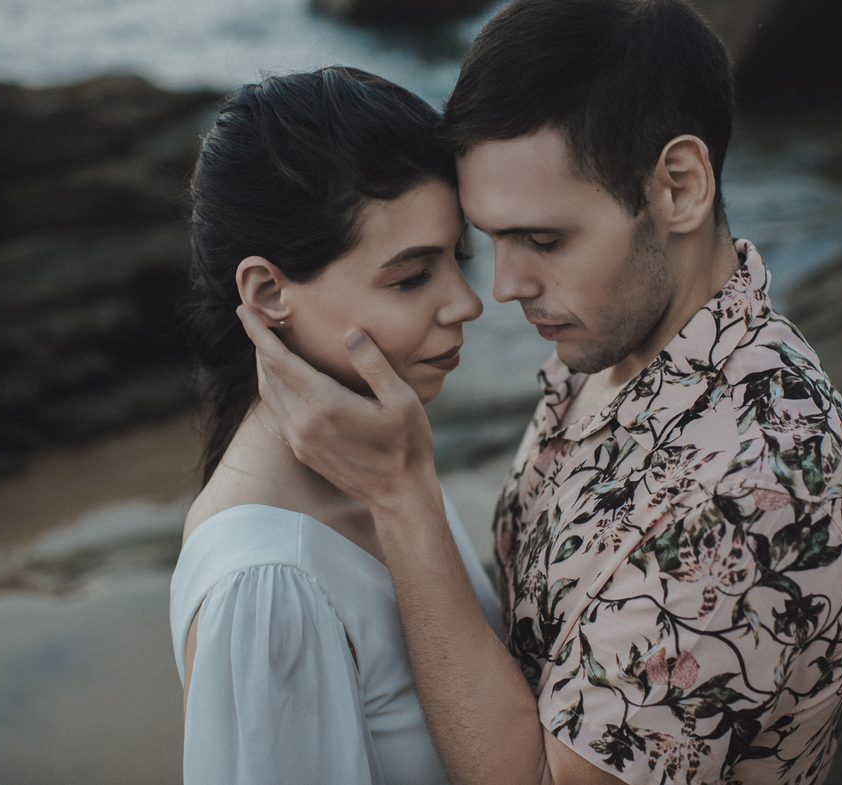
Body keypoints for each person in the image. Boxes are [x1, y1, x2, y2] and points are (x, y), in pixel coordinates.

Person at [238, 1, 842, 783]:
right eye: (490, 239)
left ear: (679, 187)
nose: (504, 288)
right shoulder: (609, 349)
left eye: (543, 240)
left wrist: (402, 494)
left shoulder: (766, 482)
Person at [168, 66, 499, 785]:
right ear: (267, 292)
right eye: (413, 276)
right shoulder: (268, 584)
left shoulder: (384, 457)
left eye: (459, 258)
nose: (468, 302)